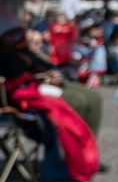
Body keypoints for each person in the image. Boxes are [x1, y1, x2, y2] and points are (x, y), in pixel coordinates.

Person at [0, 27, 105, 160]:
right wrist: (40, 76)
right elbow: (15, 76)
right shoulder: (9, 56)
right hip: (20, 99)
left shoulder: (26, 52)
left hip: (41, 86)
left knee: (94, 97)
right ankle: (71, 156)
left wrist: (44, 68)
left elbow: (46, 66)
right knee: (78, 101)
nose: (39, 44)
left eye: (40, 41)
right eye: (34, 42)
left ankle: (88, 153)